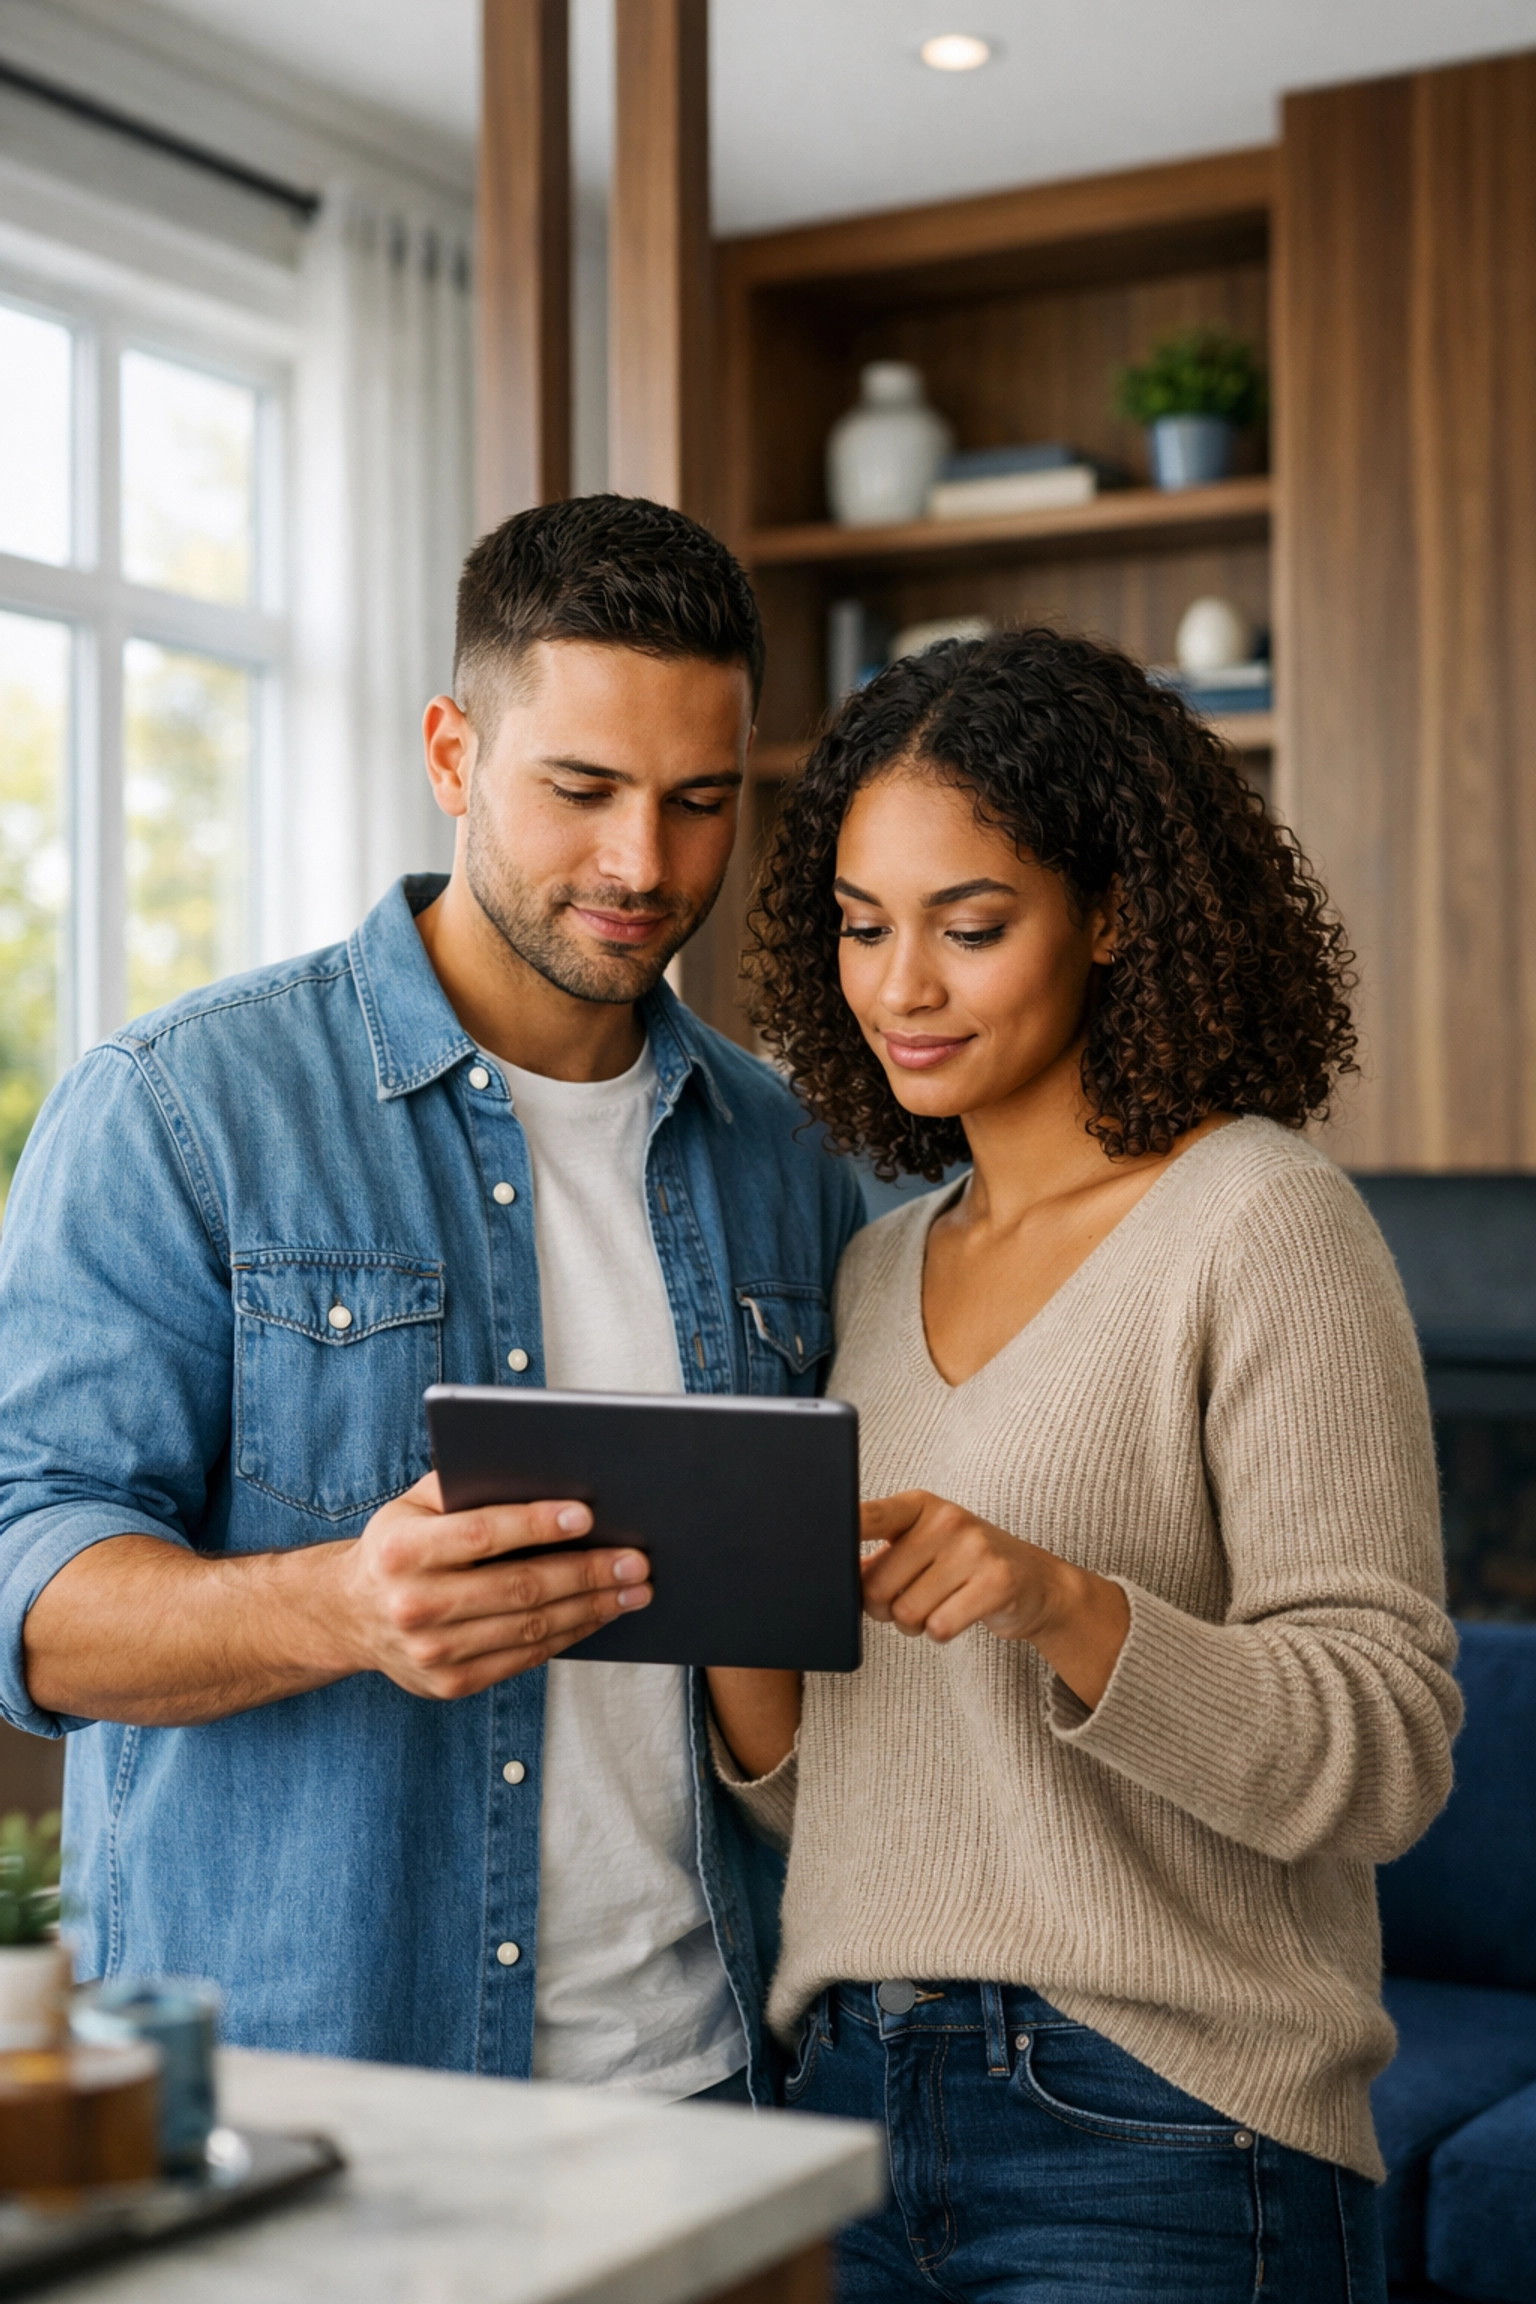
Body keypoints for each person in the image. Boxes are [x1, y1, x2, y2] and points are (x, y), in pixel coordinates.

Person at [0, 494, 862, 2103]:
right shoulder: (183, 1110)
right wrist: (336, 1606)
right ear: (454, 754)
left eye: (697, 801)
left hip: (711, 2089)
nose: (644, 864)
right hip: (313, 2104)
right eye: (582, 790)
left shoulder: (789, 1156)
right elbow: (26, 1592)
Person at [707, 626, 1460, 2297]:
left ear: (1114, 913)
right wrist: (721, 1601)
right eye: (861, 926)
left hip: (1161, 2128)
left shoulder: (1262, 1222)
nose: (901, 985)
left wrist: (1066, 1604)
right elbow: (849, 1802)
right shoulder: (873, 1269)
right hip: (841, 2102)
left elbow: (1391, 1746)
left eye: (970, 927)